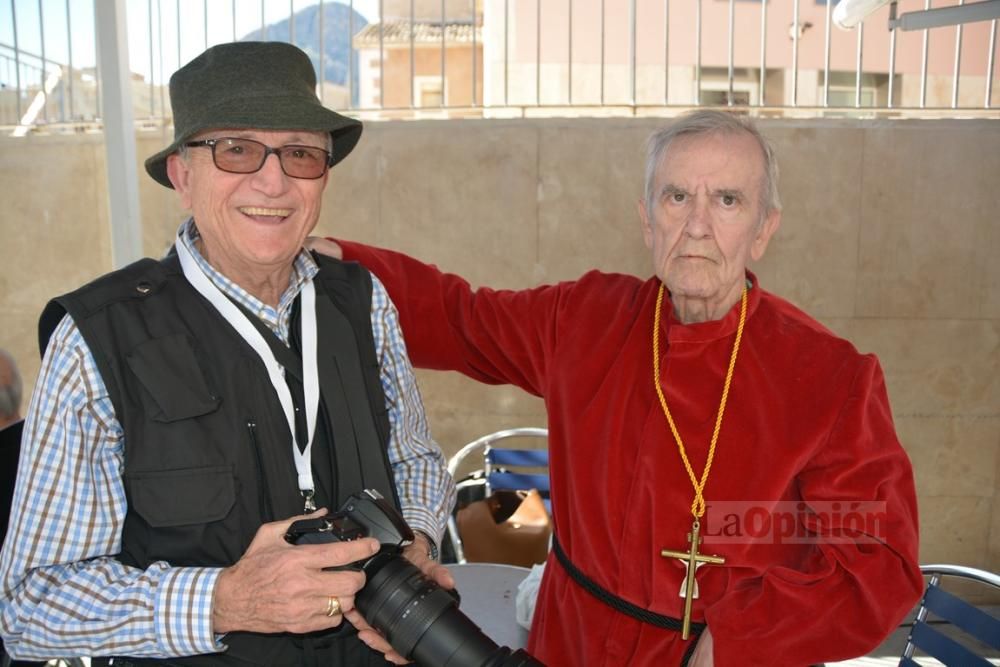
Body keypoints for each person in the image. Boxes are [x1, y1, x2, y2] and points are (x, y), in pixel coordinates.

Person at [312, 110, 923, 666]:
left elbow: (878, 568)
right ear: (646, 218)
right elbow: (461, 317)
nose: (698, 226)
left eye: (729, 200)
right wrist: (343, 264)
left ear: (763, 229)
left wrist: (737, 639)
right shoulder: (588, 318)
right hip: (566, 643)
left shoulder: (831, 375)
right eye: (677, 197)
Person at [0, 42, 455, 666]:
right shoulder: (98, 338)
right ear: (182, 175)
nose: (273, 181)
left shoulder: (361, 300)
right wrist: (224, 600)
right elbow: (29, 606)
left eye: (299, 153)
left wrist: (418, 542)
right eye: (235, 149)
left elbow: (416, 457)